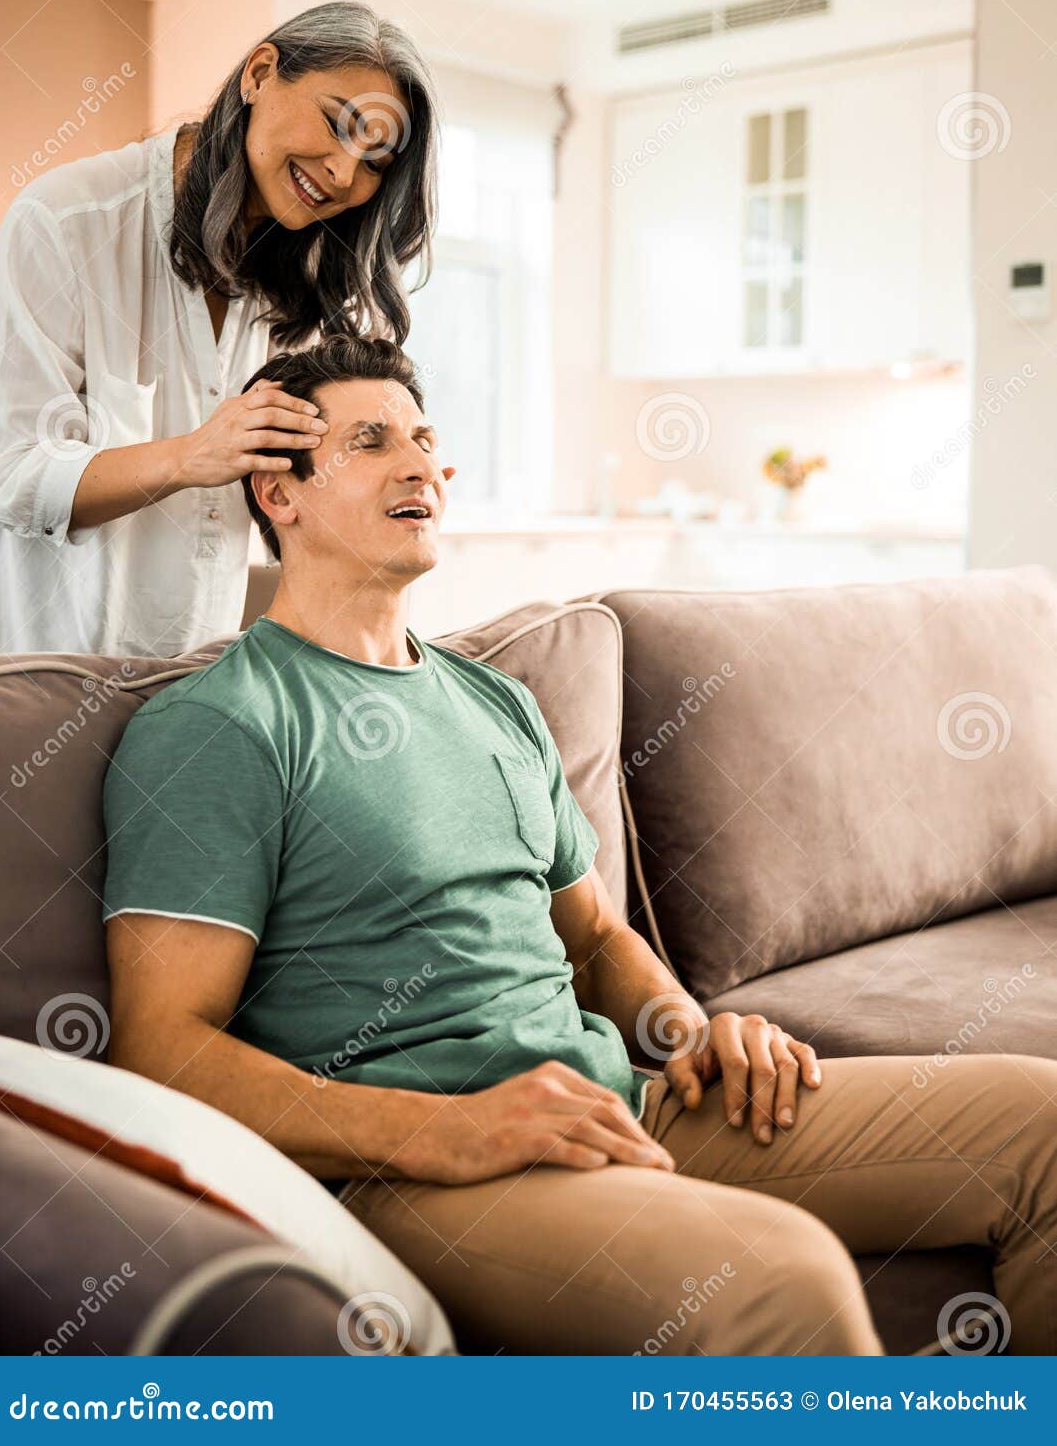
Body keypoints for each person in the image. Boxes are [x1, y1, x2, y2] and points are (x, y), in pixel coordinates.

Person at [100, 335, 1057, 1357]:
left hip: (618, 1096)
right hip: (422, 1172)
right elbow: (160, 1048)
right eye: (370, 442)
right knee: (779, 1283)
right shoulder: (223, 725)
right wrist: (440, 1131)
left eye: (424, 439)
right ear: (277, 496)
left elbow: (595, 937)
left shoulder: (495, 702)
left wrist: (690, 1035)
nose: (420, 463)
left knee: (1039, 1119)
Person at [0, 2, 438, 658]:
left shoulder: (304, 281)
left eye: (374, 163)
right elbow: (10, 475)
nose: (343, 173)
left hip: (204, 680)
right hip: (54, 683)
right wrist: (190, 455)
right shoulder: (67, 222)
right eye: (338, 124)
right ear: (259, 73)